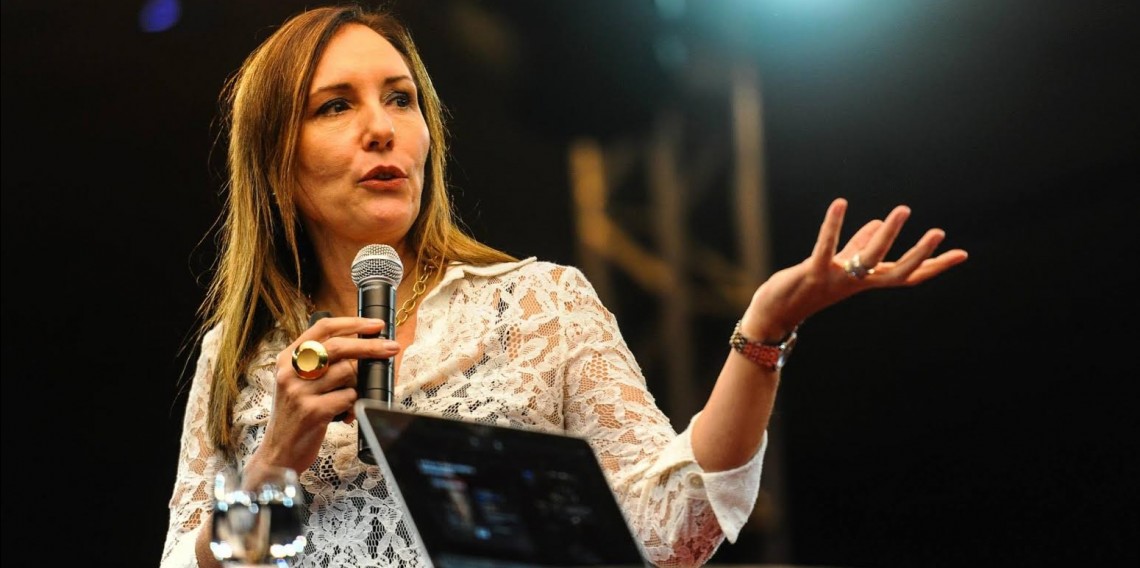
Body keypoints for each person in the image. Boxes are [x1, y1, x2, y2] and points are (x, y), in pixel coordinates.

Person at [160, 5, 968, 568]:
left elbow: (672, 527)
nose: (382, 127)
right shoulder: (240, 358)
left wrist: (762, 330)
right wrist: (273, 464)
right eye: (335, 106)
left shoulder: (537, 304)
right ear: (276, 161)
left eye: (401, 99)